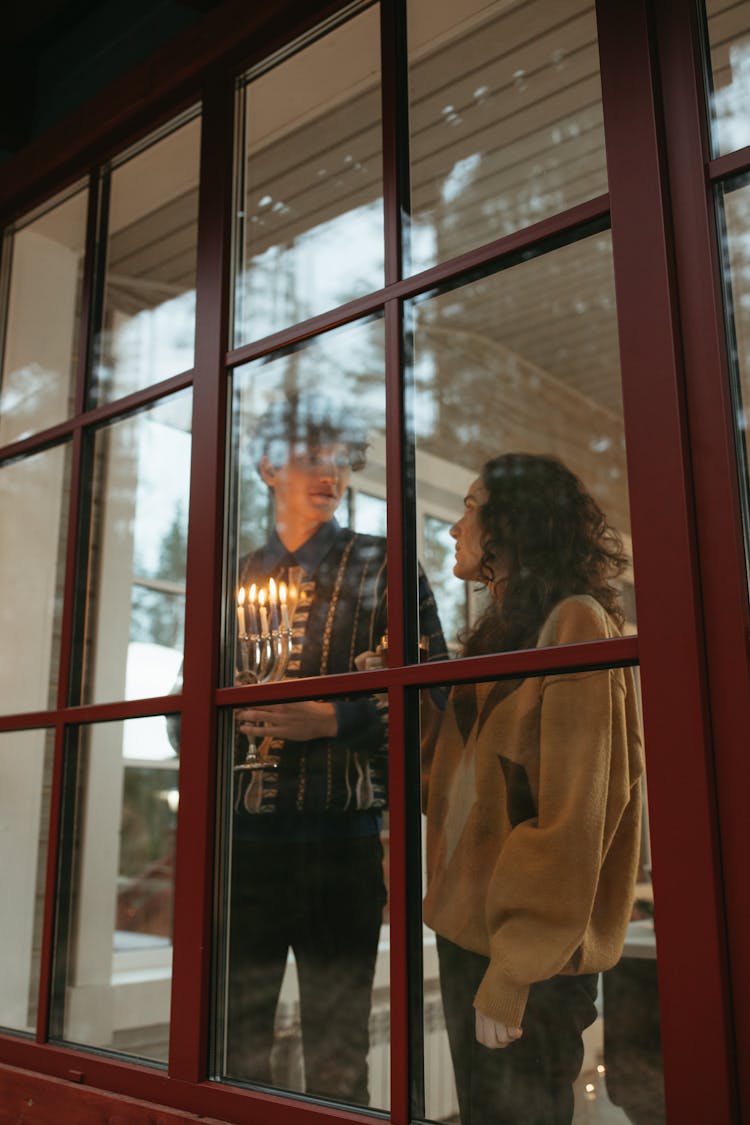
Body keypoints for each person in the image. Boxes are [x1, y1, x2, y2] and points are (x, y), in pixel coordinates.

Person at [227, 391, 446, 1105]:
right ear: (265, 465)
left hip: (344, 844)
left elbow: (436, 698)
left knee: (338, 1049)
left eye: (343, 459)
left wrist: (335, 719)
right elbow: (180, 708)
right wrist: (224, 717)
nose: (333, 472)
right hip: (241, 851)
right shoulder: (232, 578)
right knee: (231, 1042)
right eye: (312, 456)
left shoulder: (386, 567)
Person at [422, 453, 645, 1125]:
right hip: (471, 934)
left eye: (469, 507)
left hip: (526, 955)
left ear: (511, 523)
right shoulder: (499, 631)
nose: (454, 527)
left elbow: (577, 813)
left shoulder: (574, 621)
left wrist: (515, 968)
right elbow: (466, 790)